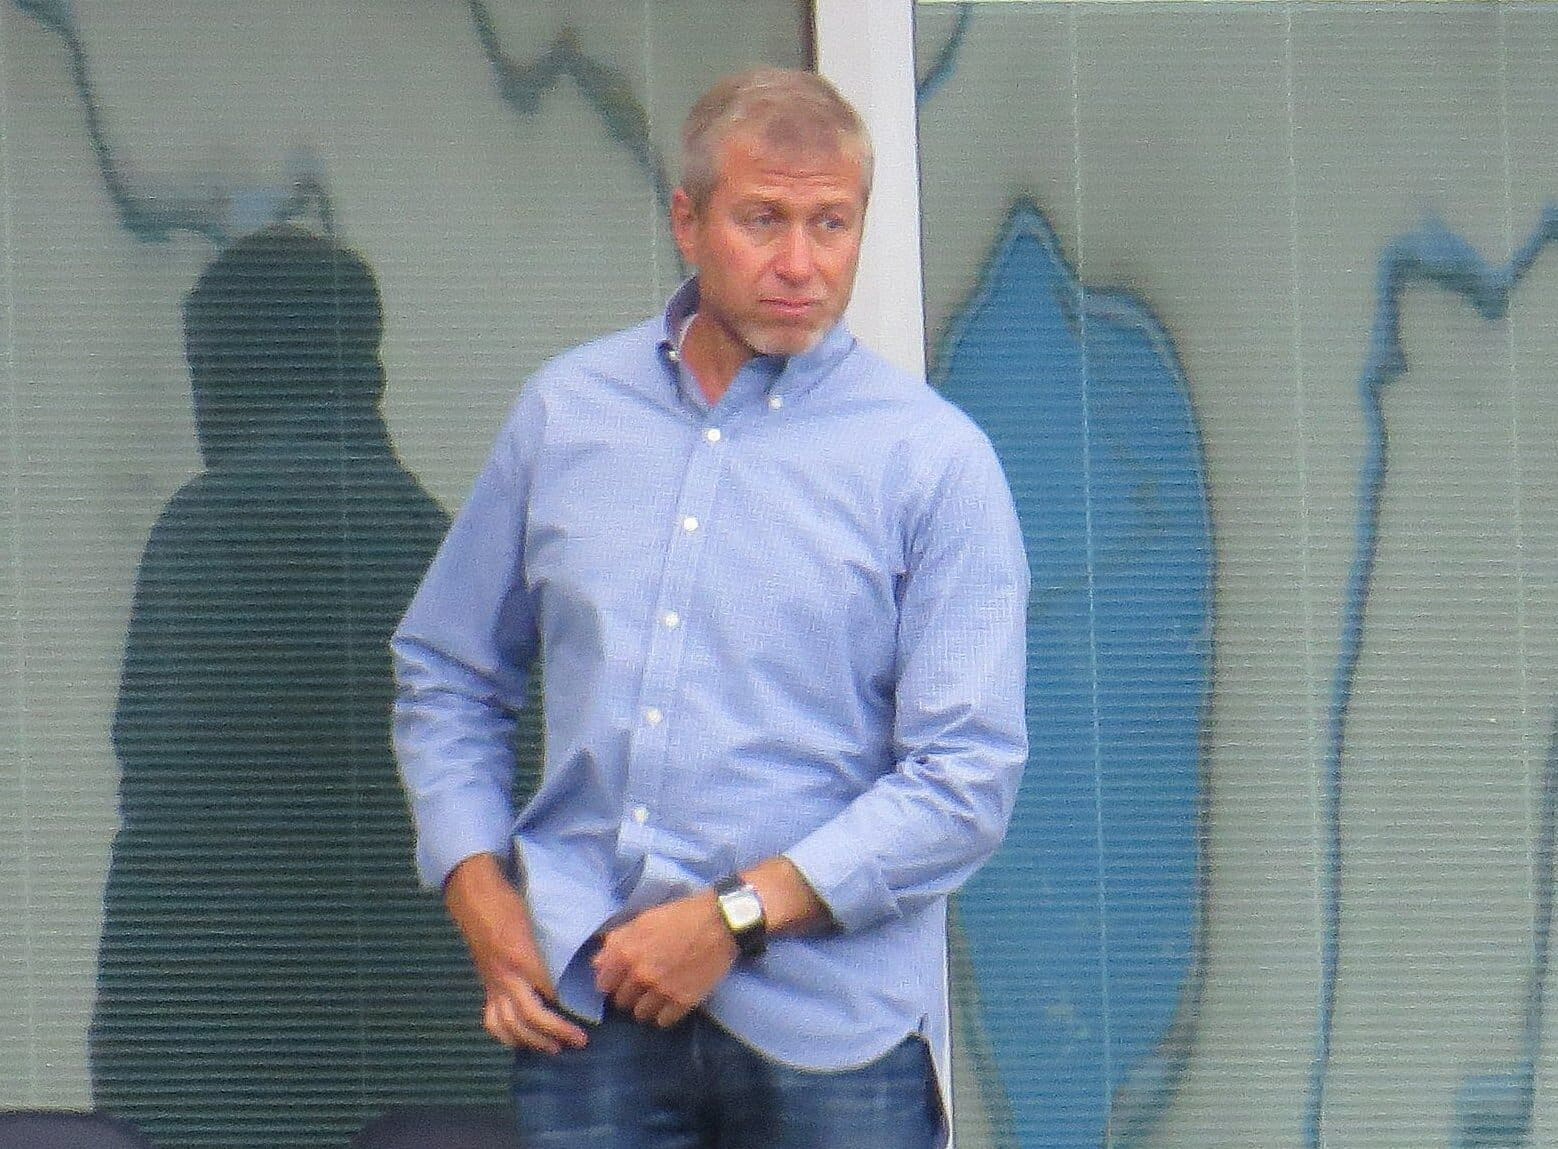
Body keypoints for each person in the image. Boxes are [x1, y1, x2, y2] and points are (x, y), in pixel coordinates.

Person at [393, 67, 1028, 1148]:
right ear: (687, 222)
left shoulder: (931, 462)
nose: (800, 263)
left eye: (832, 224)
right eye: (763, 219)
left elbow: (966, 777)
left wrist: (732, 917)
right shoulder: (568, 416)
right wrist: (480, 895)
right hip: (589, 1005)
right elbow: (449, 671)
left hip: (832, 1034)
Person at [93, 225, 508, 1148]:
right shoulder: (444, 547)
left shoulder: (210, 530)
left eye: (206, 371)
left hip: (235, 1052)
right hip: (425, 1042)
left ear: (237, 372)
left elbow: (166, 804)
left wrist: (132, 1049)